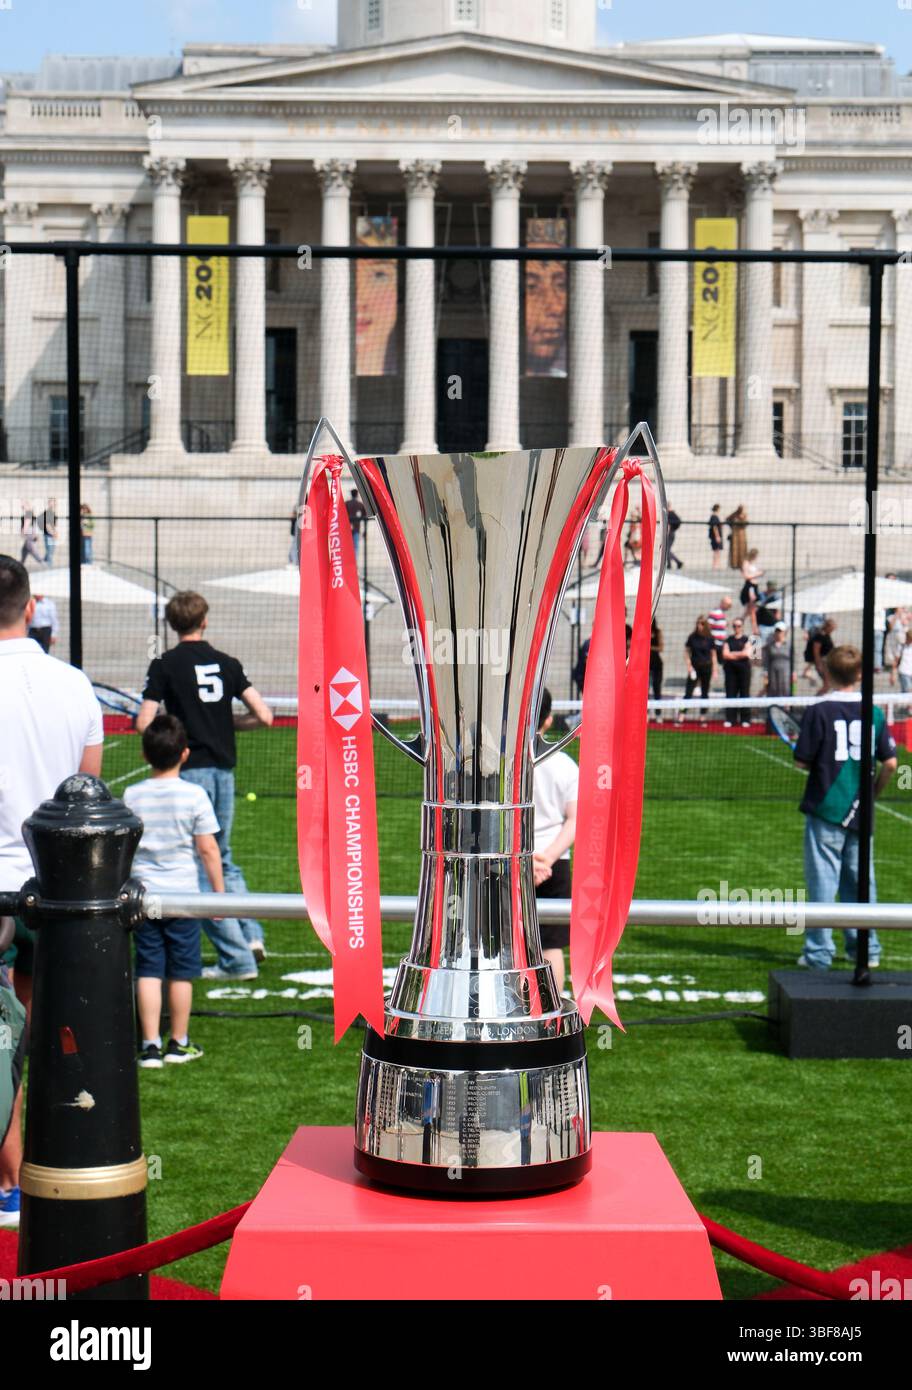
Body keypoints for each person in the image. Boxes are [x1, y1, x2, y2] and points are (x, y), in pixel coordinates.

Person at [0, 555, 104, 1230]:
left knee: (6, 1043)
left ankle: (11, 1181)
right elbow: (89, 796)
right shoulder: (74, 685)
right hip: (58, 888)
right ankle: (23, 1178)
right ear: (32, 606)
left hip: (7, 888)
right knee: (27, 1039)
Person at [136, 591, 274, 981]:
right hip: (223, 773)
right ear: (205, 620)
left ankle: (235, 956)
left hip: (189, 774)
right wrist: (227, 725)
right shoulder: (227, 663)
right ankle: (251, 935)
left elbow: (144, 722)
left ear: (171, 623)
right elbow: (263, 715)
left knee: (199, 863)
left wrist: (172, 735)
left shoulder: (165, 664)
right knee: (223, 857)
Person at [125, 715, 224, 1067]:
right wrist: (219, 894)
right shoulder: (194, 795)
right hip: (183, 897)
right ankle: (178, 1041)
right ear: (184, 754)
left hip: (144, 897)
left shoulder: (132, 795)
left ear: (144, 754)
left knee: (149, 967)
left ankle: (149, 1045)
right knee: (181, 971)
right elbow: (208, 849)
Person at [794, 645, 897, 971]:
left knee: (823, 882)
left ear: (827, 672)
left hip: (826, 807)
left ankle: (818, 954)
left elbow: (801, 760)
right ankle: (867, 949)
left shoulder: (819, 710)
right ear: (861, 674)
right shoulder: (875, 712)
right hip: (860, 810)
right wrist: (872, 795)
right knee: (862, 882)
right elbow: (891, 764)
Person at [532, 689, 578, 996]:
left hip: (506, 860)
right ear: (548, 720)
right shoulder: (564, 764)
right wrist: (547, 858)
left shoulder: (491, 761)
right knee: (550, 945)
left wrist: (532, 860)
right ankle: (551, 1016)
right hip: (554, 863)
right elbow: (576, 819)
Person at [680, 615, 716, 723]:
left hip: (706, 667)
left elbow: (713, 654)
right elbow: (686, 652)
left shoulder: (710, 638)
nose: (699, 626)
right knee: (688, 692)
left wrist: (715, 670)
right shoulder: (692, 637)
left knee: (705, 692)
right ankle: (681, 715)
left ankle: (703, 716)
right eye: (698, 623)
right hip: (695, 667)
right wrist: (689, 666)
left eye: (702, 624)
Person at [722, 616, 753, 727]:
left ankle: (745, 719)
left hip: (744, 671)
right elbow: (725, 654)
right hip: (730, 671)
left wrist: (733, 654)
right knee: (730, 693)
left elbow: (747, 653)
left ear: (742, 627)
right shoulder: (728, 640)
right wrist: (739, 654)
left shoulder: (747, 639)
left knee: (744, 693)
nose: (736, 628)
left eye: (739, 626)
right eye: (734, 626)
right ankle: (730, 719)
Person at [763, 621, 791, 699]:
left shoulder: (788, 645)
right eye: (777, 631)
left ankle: (786, 709)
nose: (778, 633)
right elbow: (766, 660)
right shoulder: (770, 645)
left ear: (784, 632)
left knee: (785, 689)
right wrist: (765, 672)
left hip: (786, 671)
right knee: (773, 688)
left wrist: (794, 672)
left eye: (780, 631)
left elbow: (793, 659)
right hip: (773, 671)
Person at [740, 548, 765, 635]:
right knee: (752, 609)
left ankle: (740, 621)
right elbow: (746, 576)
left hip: (755, 586)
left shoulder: (752, 563)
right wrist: (758, 574)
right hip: (750, 587)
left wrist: (759, 573)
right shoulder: (745, 563)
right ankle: (754, 628)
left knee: (750, 609)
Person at [808, 617, 837, 693]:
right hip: (823, 662)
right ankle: (816, 700)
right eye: (832, 628)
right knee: (827, 684)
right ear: (827, 627)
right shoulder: (820, 636)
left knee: (828, 684)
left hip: (828, 661)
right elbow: (816, 651)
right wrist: (819, 664)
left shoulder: (826, 635)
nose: (832, 630)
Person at [707, 594, 732, 664]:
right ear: (723, 603)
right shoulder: (714, 613)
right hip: (715, 643)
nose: (729, 607)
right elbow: (708, 627)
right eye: (728, 605)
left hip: (721, 643)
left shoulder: (721, 614)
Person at [345, 488, 367, 564]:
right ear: (357, 495)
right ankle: (354, 563)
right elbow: (365, 517)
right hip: (356, 528)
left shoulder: (347, 503)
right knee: (355, 547)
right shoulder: (360, 504)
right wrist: (365, 531)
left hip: (347, 528)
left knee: (347, 547)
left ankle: (348, 562)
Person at [725, 505, 748, 570]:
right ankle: (734, 564)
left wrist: (743, 521)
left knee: (742, 549)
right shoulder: (734, 514)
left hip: (742, 534)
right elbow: (727, 519)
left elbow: (746, 523)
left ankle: (742, 564)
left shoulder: (744, 515)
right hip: (735, 534)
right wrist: (731, 526)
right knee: (735, 549)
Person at [649, 618, 664, 718]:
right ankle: (645, 714)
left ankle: (658, 714)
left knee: (657, 689)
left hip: (656, 664)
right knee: (645, 691)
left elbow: (661, 648)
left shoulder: (658, 632)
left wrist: (648, 647)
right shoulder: (642, 631)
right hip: (646, 665)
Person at [893, 628, 912, 694]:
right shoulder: (901, 646)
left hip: (910, 672)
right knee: (908, 692)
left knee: (905, 693)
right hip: (904, 672)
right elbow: (896, 661)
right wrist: (893, 673)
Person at [38, 501, 58, 566]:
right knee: (50, 550)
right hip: (49, 535)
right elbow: (47, 525)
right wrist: (53, 533)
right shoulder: (48, 512)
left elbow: (53, 525)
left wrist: (55, 532)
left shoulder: (52, 512)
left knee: (50, 550)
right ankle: (49, 564)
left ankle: (45, 561)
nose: (55, 504)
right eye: (52, 502)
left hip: (51, 534)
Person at [665, 504, 683, 570]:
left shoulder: (669, 514)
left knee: (667, 550)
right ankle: (669, 564)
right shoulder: (673, 514)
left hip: (670, 533)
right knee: (667, 550)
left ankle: (678, 562)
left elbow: (668, 525)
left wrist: (667, 533)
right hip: (672, 533)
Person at [708, 503, 724, 569]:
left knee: (717, 551)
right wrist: (717, 536)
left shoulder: (715, 516)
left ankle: (718, 564)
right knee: (716, 551)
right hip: (715, 537)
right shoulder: (714, 517)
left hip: (716, 536)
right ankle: (715, 565)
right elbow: (715, 527)